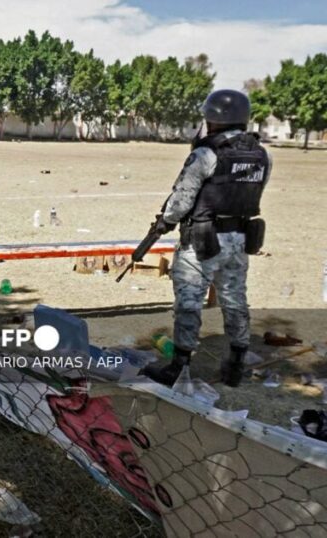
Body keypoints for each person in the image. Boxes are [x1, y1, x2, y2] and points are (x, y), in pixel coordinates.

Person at [140, 89, 272, 388]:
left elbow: (182, 199)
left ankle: (178, 367)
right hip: (241, 238)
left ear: (214, 118)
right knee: (235, 299)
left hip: (203, 241)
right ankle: (236, 365)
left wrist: (164, 223)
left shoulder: (206, 153)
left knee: (189, 302)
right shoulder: (263, 155)